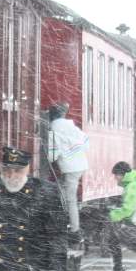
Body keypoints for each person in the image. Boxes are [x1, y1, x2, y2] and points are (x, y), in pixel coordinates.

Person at [45, 102, 90, 240]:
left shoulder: (53, 129)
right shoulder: (72, 127)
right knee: (63, 193)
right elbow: (86, 141)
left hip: (69, 168)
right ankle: (68, 225)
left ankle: (75, 230)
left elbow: (52, 155)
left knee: (69, 199)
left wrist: (53, 154)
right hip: (80, 165)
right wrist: (73, 151)